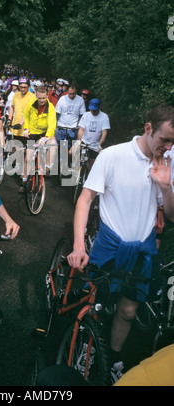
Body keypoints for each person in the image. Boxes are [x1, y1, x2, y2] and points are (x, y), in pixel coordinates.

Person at [67, 103, 174, 383]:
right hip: (109, 244)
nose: (168, 146)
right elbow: (85, 199)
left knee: (127, 312)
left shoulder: (166, 163)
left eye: (173, 142)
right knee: (94, 303)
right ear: (148, 129)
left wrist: (165, 185)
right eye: (165, 139)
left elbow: (171, 216)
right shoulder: (113, 156)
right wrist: (79, 245)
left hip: (142, 248)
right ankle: (84, 347)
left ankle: (113, 359)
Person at [21, 86, 57, 191]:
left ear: (47, 97)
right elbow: (26, 115)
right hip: (32, 132)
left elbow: (52, 124)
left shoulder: (50, 108)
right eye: (39, 98)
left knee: (53, 143)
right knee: (28, 158)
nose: (41, 100)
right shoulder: (31, 103)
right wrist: (26, 128)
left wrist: (47, 137)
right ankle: (24, 181)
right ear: (36, 96)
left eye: (44, 98)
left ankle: (47, 167)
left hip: (44, 133)